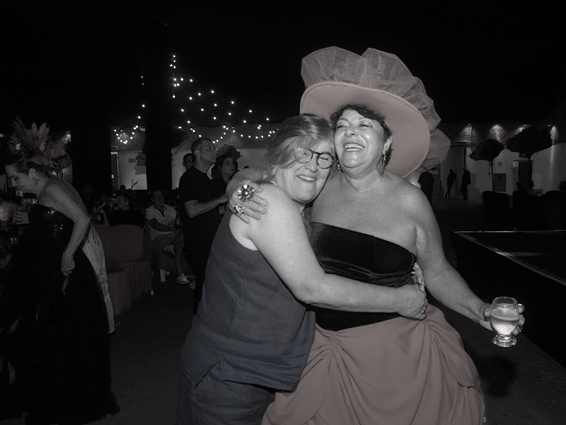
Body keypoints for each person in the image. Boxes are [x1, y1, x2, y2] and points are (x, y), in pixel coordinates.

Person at [229, 47, 525, 425]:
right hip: (322, 352)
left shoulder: (410, 200)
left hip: (397, 358)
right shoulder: (316, 185)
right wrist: (237, 188)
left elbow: (436, 271)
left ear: (385, 143)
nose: (350, 132)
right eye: (342, 126)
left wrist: (478, 309)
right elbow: (262, 173)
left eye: (364, 125)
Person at [177, 114, 427, 425]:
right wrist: (403, 299)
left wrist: (401, 264)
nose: (312, 166)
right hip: (228, 376)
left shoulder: (301, 211)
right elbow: (312, 287)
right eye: (301, 153)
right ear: (279, 155)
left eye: (324, 158)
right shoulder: (269, 200)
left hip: (260, 375)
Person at [1, 121, 118, 424]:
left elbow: (82, 219)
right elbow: (58, 222)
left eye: (16, 178)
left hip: (62, 271)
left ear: (32, 172)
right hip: (50, 268)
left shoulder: (52, 187)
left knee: (59, 337)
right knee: (56, 338)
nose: (14, 184)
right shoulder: (47, 187)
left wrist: (67, 256)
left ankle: (64, 398)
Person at [178, 138, 228, 310]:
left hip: (210, 239)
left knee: (210, 284)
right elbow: (192, 210)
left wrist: (231, 207)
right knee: (205, 283)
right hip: (199, 241)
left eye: (214, 148)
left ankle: (207, 319)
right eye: (209, 148)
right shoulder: (190, 178)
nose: (214, 151)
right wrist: (220, 200)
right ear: (197, 153)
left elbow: (212, 211)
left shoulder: (206, 180)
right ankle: (200, 319)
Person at [145, 189, 190, 285]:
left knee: (179, 244)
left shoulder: (170, 209)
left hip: (173, 236)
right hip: (159, 238)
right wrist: (171, 229)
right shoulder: (149, 210)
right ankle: (173, 245)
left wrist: (177, 223)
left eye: (161, 195)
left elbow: (177, 223)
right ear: (152, 199)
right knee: (183, 236)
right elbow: (155, 225)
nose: (159, 198)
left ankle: (180, 275)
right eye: (156, 196)